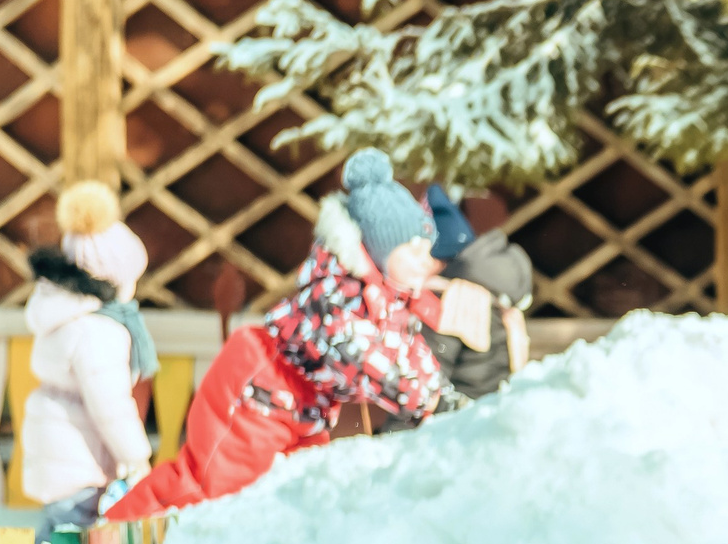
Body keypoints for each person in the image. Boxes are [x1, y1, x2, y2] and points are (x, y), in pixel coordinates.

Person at [105, 150, 463, 519]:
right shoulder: (338, 293)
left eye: (427, 251)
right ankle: (113, 532)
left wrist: (442, 393)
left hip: (305, 408)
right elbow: (357, 353)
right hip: (257, 385)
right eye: (414, 252)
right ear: (380, 250)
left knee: (301, 501)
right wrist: (425, 399)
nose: (426, 262)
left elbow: (408, 349)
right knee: (210, 487)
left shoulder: (390, 300)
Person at [20, 183, 157, 531]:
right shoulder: (97, 332)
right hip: (80, 462)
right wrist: (136, 456)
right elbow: (110, 405)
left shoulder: (66, 315)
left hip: (60, 455)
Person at [421, 186, 533, 403]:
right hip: (499, 402)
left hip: (464, 413)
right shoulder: (493, 290)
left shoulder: (455, 297)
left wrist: (396, 430)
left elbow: (432, 374)